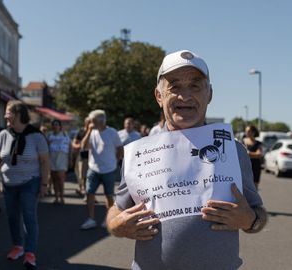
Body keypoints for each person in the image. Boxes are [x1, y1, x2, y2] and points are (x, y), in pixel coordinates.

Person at [106, 50, 267, 270]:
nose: (185, 96)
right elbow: (117, 209)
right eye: (174, 86)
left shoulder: (232, 149)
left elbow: (259, 214)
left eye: (195, 85)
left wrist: (250, 220)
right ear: (159, 96)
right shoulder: (139, 153)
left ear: (209, 94)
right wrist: (117, 225)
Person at [0, 101, 50, 268]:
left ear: (18, 115)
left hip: (30, 182)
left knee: (29, 217)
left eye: (9, 112)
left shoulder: (37, 136)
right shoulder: (3, 135)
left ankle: (30, 252)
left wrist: (44, 184)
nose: (5, 116)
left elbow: (45, 162)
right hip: (8, 184)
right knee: (12, 217)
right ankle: (18, 246)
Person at [80, 110, 123, 230]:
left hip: (109, 169)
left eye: (93, 121)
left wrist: (115, 161)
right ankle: (90, 219)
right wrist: (88, 130)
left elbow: (120, 149)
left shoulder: (112, 132)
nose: (91, 123)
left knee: (109, 195)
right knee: (89, 193)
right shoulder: (91, 132)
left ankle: (108, 219)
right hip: (93, 168)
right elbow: (83, 146)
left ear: (101, 121)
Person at [47, 120, 71, 204]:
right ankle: (56, 197)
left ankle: (62, 197)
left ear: (60, 126)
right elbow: (46, 148)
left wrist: (70, 159)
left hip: (62, 159)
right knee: (54, 179)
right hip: (52, 159)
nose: (55, 126)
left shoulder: (65, 134)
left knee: (61, 179)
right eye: (53, 125)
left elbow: (69, 147)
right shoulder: (50, 135)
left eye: (57, 125)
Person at [72, 117, 90, 197]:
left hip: (94, 157)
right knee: (81, 175)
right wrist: (79, 145)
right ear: (85, 123)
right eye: (88, 122)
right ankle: (82, 189)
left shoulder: (96, 132)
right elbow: (74, 143)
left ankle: (87, 193)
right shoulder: (81, 131)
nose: (90, 124)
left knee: (89, 176)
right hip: (83, 155)